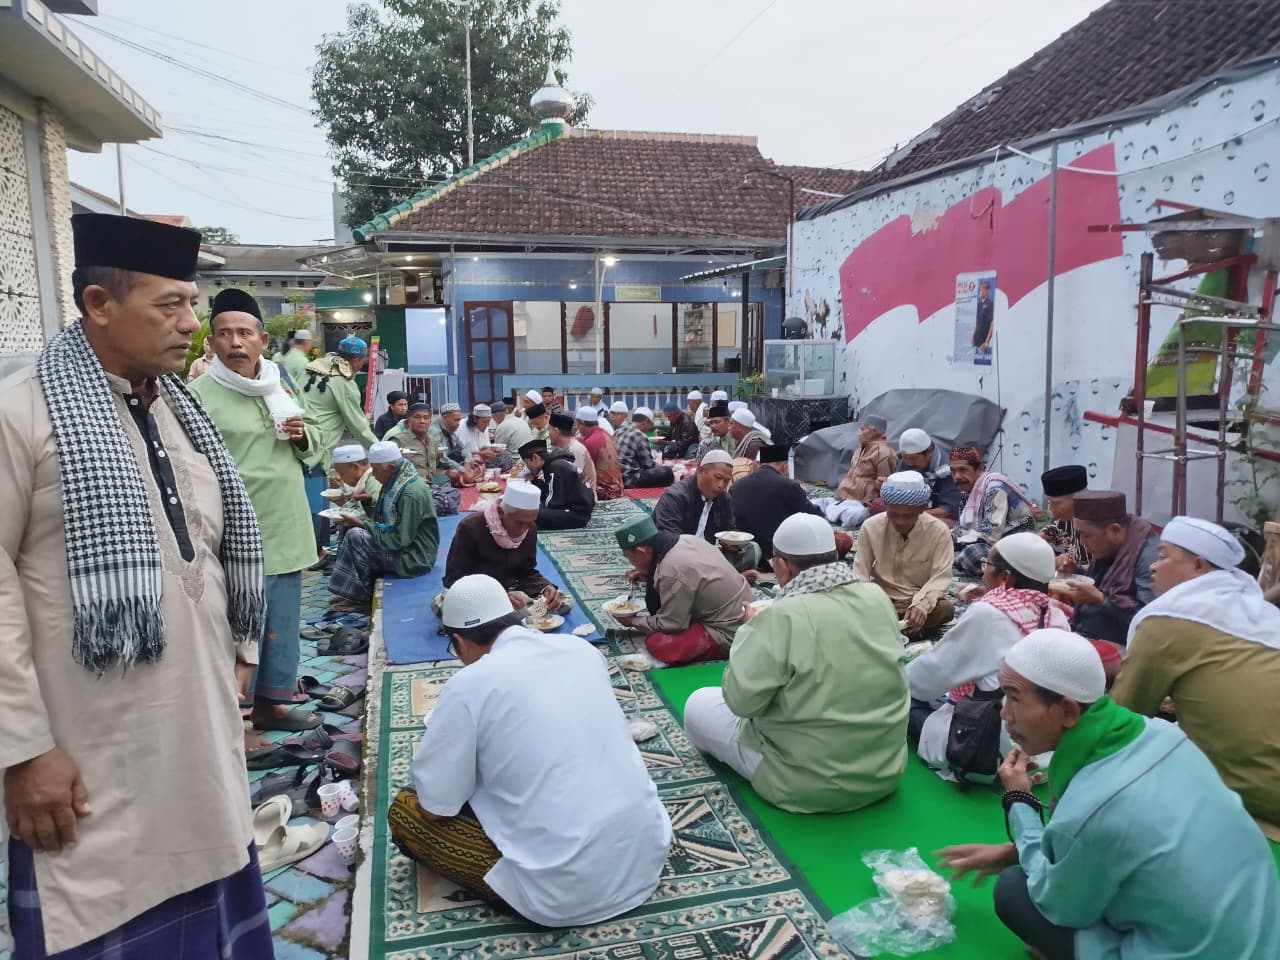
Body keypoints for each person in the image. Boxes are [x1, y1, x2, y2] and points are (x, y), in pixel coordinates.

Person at [0, 213, 273, 956]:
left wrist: (240, 643)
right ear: (98, 304)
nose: (195, 323)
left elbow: (211, 554)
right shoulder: (20, 415)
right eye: (170, 306)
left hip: (198, 742)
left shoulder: (178, 412)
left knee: (215, 897)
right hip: (92, 759)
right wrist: (22, 750)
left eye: (193, 303)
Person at [938, 629, 1280, 960]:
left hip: (1190, 950)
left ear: (1068, 711)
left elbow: (1059, 904)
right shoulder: (1160, 733)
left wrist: (1019, 802)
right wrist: (1016, 851)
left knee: (1014, 891)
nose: (1004, 713)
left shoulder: (1094, 805)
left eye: (1014, 697)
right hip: (1261, 936)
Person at [388, 575, 671, 925]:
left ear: (458, 640)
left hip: (562, 894)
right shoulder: (582, 651)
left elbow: (435, 809)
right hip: (645, 857)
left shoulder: (468, 686)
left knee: (405, 810)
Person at [684, 514, 909, 813]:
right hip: (883, 773)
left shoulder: (781, 617)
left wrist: (750, 632)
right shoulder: (876, 596)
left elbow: (741, 702)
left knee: (697, 704)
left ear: (782, 565)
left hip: (802, 783)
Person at [189, 287, 323, 745]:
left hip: (285, 522)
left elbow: (313, 446)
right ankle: (238, 724)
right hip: (236, 530)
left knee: (281, 622)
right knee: (239, 625)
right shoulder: (198, 396)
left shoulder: (277, 384)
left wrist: (303, 435)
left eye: (244, 332)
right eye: (223, 333)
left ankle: (270, 704)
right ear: (211, 342)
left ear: (263, 339)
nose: (234, 343)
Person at [1112, 516, 1280, 838]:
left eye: (1163, 556)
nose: (1153, 567)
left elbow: (1123, 718)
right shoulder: (1264, 616)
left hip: (1262, 795)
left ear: (1199, 566)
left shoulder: (1169, 621)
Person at [906, 533, 1071, 780]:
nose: (983, 573)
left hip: (988, 747)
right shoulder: (1055, 614)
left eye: (987, 565)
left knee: (903, 698)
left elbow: (926, 678)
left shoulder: (989, 614)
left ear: (1005, 577)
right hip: (1046, 750)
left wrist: (896, 676)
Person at [612, 515, 753, 667]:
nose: (631, 563)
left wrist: (633, 621)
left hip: (730, 631)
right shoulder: (686, 540)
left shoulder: (670, 570)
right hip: (748, 612)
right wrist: (649, 575)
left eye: (629, 558)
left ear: (641, 552)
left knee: (659, 644)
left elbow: (672, 624)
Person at [328, 441, 440, 611]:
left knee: (357, 536)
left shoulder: (410, 492)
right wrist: (367, 505)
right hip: (406, 547)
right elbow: (386, 521)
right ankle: (353, 593)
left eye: (376, 470)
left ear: (390, 467)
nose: (373, 476)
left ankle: (361, 598)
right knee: (355, 532)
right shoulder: (395, 481)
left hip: (415, 557)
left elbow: (398, 540)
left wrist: (363, 523)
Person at [442, 480, 567, 614]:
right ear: (501, 512)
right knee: (443, 604)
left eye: (529, 523)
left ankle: (511, 617)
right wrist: (496, 596)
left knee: (562, 600)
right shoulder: (470, 528)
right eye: (519, 523)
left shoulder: (530, 530)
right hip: (478, 594)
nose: (524, 529)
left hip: (512, 591)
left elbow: (526, 571)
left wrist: (544, 587)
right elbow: (454, 579)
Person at [853, 471, 955, 635]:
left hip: (916, 599)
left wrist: (921, 605)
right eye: (893, 514)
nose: (900, 521)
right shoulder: (870, 527)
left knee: (945, 609)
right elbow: (860, 573)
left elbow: (940, 578)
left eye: (907, 516)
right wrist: (866, 602)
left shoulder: (939, 532)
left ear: (922, 509)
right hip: (880, 599)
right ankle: (902, 627)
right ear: (885, 506)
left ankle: (891, 626)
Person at [1059, 490, 1158, 647]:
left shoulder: (1148, 558)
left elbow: (1147, 626)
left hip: (1122, 647)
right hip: (1085, 631)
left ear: (1115, 530)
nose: (1083, 543)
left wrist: (1100, 599)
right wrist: (1075, 572)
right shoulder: (1112, 546)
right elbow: (1105, 583)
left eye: (1087, 535)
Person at [653, 449, 761, 573]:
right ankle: (722, 575)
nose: (721, 485)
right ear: (700, 471)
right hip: (677, 555)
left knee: (754, 549)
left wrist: (732, 544)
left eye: (726, 481)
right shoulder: (676, 496)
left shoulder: (724, 499)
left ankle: (713, 575)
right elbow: (668, 539)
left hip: (705, 556)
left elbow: (728, 530)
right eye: (718, 477)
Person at [727, 444, 823, 567]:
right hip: (779, 558)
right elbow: (815, 517)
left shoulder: (736, 486)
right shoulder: (788, 486)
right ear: (785, 466)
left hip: (746, 556)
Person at [949, 442, 1037, 575]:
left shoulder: (995, 488)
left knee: (970, 555)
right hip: (990, 546)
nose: (957, 477)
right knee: (940, 547)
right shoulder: (967, 491)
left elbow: (990, 536)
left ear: (979, 468)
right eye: (953, 471)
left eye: (962, 470)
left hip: (1014, 547)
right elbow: (960, 529)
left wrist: (955, 541)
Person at [298, 333, 378, 460]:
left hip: (296, 441)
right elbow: (358, 426)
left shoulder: (309, 369)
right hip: (316, 450)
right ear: (357, 360)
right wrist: (380, 450)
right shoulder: (344, 383)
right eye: (363, 360)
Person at [519, 439, 593, 530]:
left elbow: (551, 504)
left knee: (530, 511)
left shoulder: (555, 468)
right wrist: (535, 482)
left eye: (527, 463)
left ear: (535, 458)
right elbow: (553, 490)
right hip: (578, 510)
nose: (528, 468)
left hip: (576, 515)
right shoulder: (557, 464)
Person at [896, 427, 962, 525]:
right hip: (910, 509)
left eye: (913, 458)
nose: (909, 463)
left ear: (929, 452)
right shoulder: (906, 463)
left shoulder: (948, 471)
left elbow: (948, 510)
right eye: (906, 458)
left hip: (936, 515)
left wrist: (912, 515)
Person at [1039, 464, 1092, 572]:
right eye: (1050, 502)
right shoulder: (1066, 520)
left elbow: (1104, 572)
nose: (1051, 509)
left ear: (1079, 500)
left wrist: (1076, 568)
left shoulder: (1099, 524)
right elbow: (1051, 531)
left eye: (1056, 503)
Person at [835, 413, 896, 506]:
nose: (859, 434)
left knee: (850, 515)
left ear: (873, 431)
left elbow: (883, 484)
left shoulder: (884, 453)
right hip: (842, 497)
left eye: (862, 429)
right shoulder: (860, 449)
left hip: (860, 503)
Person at [615, 406, 675, 488]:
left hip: (616, 478)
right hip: (629, 479)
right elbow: (648, 465)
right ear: (645, 422)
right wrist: (665, 467)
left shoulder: (618, 431)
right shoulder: (640, 436)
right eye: (650, 424)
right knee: (667, 472)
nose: (649, 428)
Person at [430, 402, 484, 486]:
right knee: (456, 475)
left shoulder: (451, 430)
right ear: (445, 418)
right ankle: (468, 479)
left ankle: (470, 478)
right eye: (456, 420)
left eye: (459, 419)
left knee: (477, 460)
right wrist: (462, 469)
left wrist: (467, 463)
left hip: (452, 463)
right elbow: (442, 459)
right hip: (436, 468)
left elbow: (464, 448)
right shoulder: (434, 432)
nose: (458, 423)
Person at [575, 406, 623, 500]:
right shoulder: (604, 433)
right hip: (617, 488)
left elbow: (579, 469)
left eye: (577, 424)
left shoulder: (590, 442)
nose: (577, 427)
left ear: (583, 423)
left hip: (606, 492)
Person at [328, 443, 381, 517]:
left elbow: (372, 519)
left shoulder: (374, 484)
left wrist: (344, 504)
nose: (339, 477)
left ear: (356, 467)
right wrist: (342, 488)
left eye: (341, 474)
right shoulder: (366, 480)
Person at [549, 411, 596, 492]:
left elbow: (573, 482)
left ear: (556, 432)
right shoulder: (562, 447)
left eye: (549, 430)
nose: (548, 433)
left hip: (583, 500)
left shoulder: (575, 450)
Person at [971, 279, 994, 354]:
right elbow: (977, 323)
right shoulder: (978, 305)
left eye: (982, 289)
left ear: (987, 291)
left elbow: (992, 324)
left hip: (983, 345)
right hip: (976, 343)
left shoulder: (990, 304)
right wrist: (972, 337)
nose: (980, 291)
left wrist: (986, 342)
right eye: (980, 289)